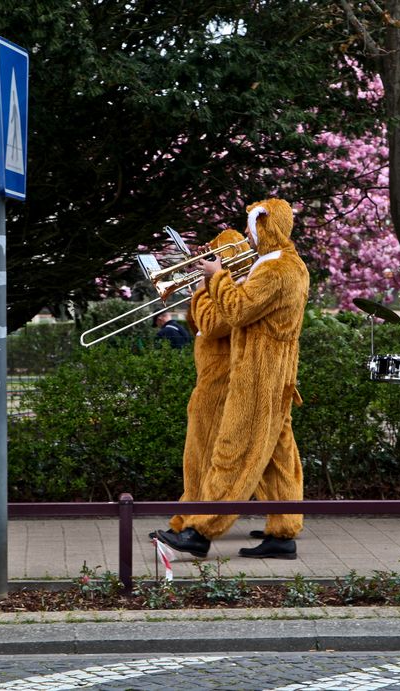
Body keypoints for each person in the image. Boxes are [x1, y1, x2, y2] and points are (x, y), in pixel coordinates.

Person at [157, 198, 308, 559]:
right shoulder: (281, 265)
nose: (247, 235)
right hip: (272, 373)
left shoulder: (277, 269)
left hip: (258, 375)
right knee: (276, 455)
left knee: (234, 453)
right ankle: (282, 534)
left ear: (264, 228)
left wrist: (217, 278)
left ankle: (200, 532)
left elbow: (237, 310)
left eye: (250, 228)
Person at [161, 229, 246, 538]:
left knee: (200, 455)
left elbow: (212, 325)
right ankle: (281, 526)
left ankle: (189, 521)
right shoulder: (223, 287)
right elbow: (197, 324)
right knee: (269, 460)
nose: (208, 261)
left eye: (214, 256)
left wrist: (202, 289)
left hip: (220, 382)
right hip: (212, 377)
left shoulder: (238, 288)